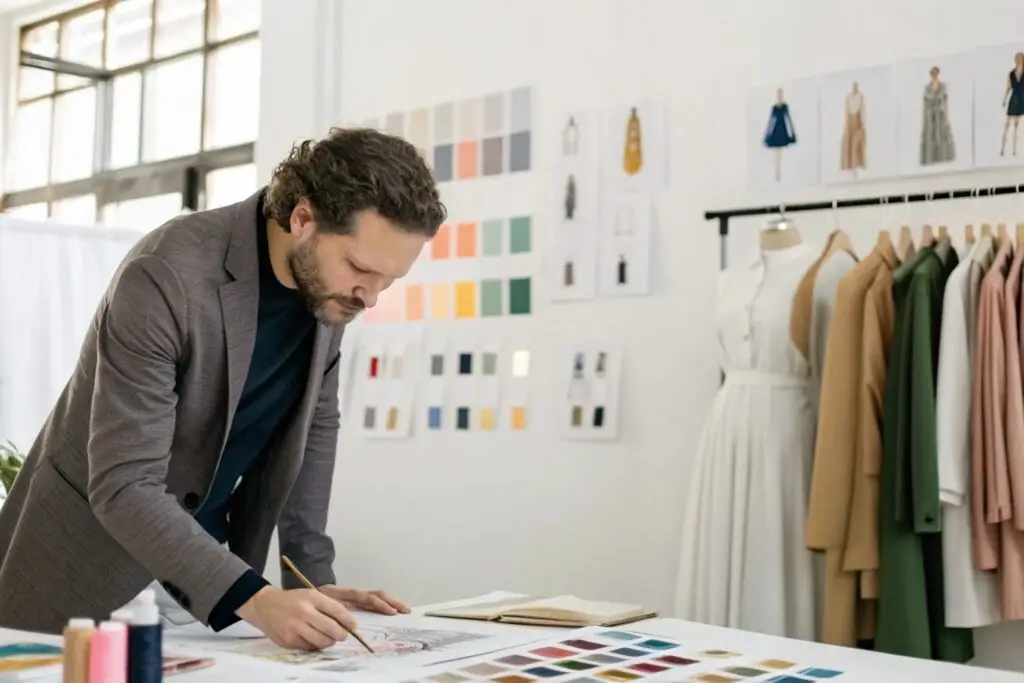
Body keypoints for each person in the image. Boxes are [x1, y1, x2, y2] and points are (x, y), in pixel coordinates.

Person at [0, 127, 446, 652]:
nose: (370, 298)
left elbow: (314, 426)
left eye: (388, 281)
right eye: (361, 270)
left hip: (204, 588)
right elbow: (125, 484)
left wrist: (313, 578)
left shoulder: (330, 289)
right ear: (303, 218)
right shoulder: (167, 273)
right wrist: (256, 599)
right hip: (88, 571)